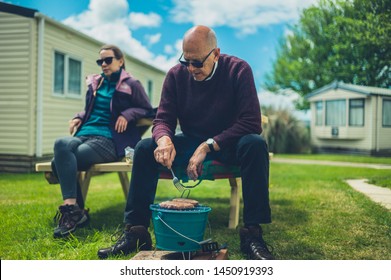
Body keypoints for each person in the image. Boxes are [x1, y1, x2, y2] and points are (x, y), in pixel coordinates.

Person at [98, 26, 274, 260]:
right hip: (190, 140)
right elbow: (162, 119)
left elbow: (251, 122)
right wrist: (164, 140)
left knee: (255, 144)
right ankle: (136, 230)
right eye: (185, 61)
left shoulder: (238, 70)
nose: (191, 69)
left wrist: (208, 145)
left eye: (197, 63)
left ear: (216, 54)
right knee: (144, 148)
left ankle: (252, 233)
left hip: (229, 143)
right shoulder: (175, 76)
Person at [51, 44, 153, 238]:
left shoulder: (132, 84)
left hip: (109, 139)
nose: (103, 64)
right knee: (61, 144)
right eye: (100, 61)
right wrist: (78, 116)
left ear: (120, 61)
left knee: (58, 162)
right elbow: (91, 109)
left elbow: (147, 109)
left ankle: (73, 211)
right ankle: (75, 210)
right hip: (84, 132)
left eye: (108, 60)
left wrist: (128, 114)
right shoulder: (95, 83)